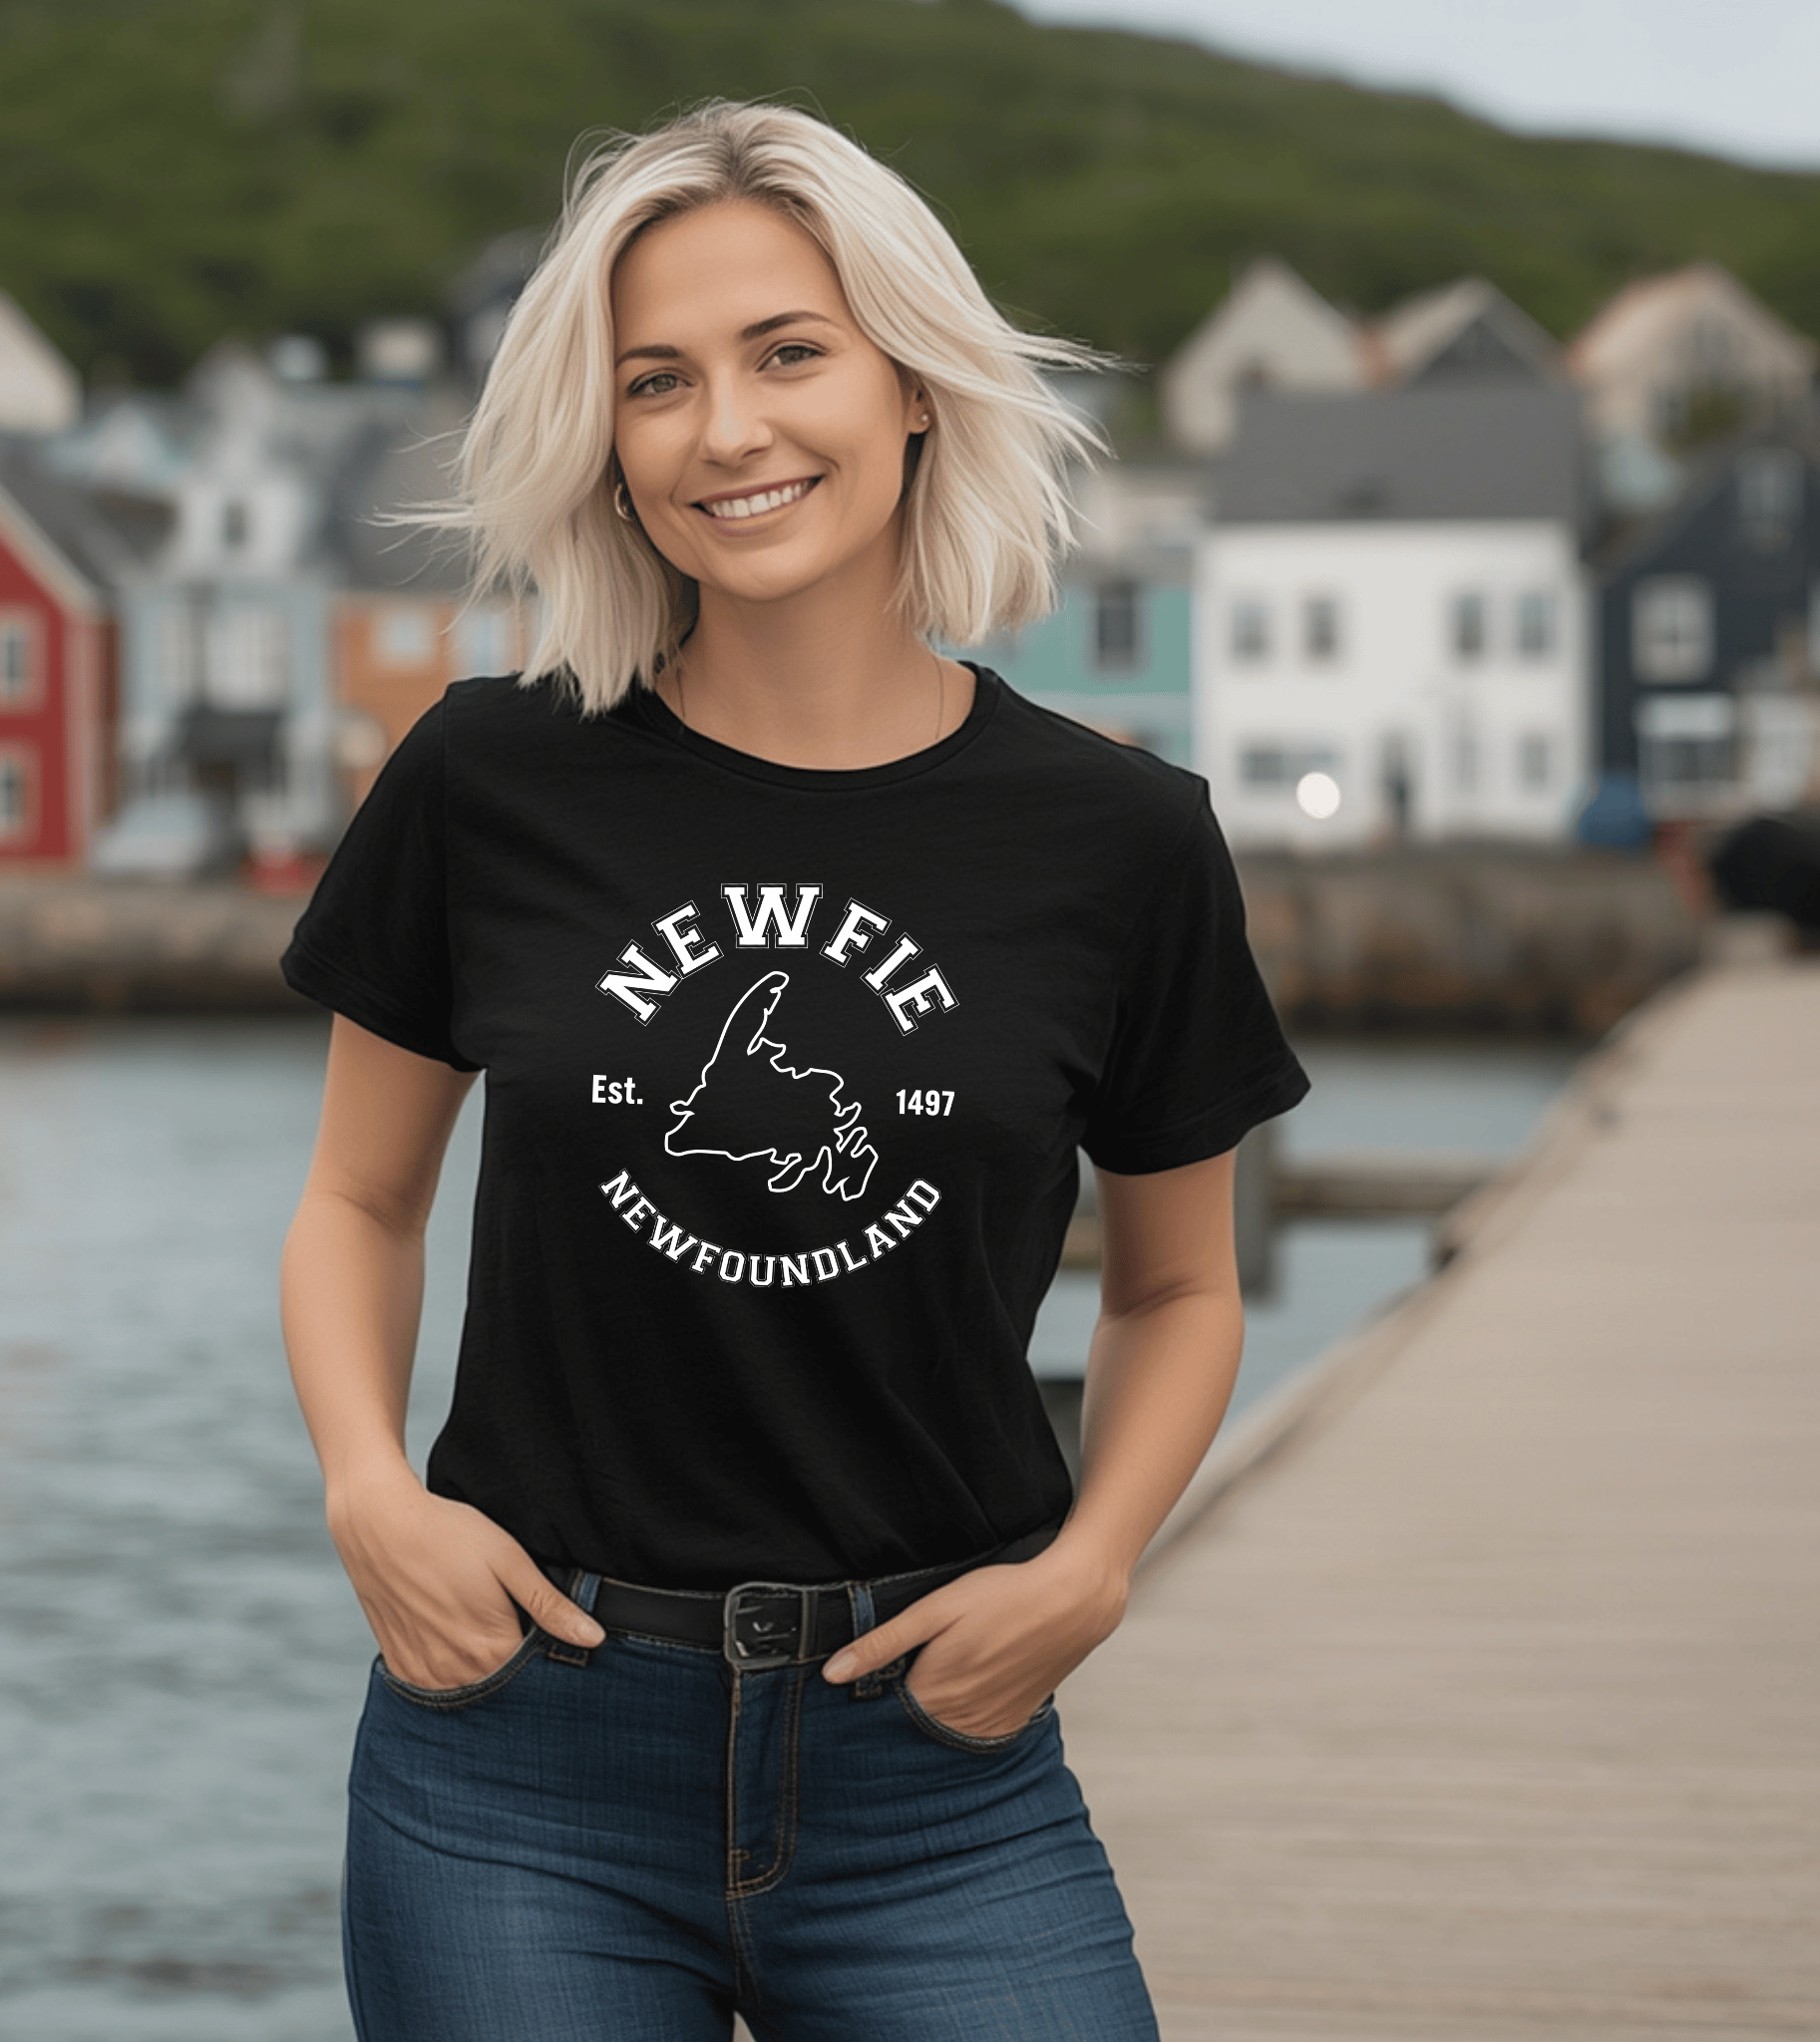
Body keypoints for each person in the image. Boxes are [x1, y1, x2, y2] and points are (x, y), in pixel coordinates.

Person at [280, 99, 1307, 2042]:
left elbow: (1178, 1284)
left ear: (912, 385)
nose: (723, 431)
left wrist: (1089, 1570)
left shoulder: (1120, 839)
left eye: (785, 353)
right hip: (522, 1754)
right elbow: (356, 1197)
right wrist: (363, 1489)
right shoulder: (489, 780)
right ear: (606, 441)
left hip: (936, 1761)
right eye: (654, 381)